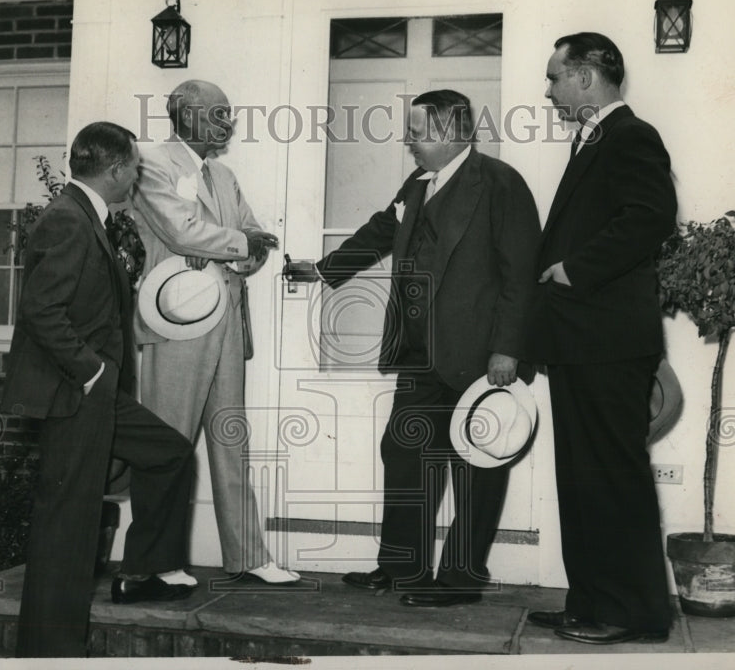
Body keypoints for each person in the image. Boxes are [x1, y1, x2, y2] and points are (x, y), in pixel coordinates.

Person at [285, 89, 540, 607]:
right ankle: (401, 567)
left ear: (451, 132)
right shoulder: (419, 182)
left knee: (476, 467)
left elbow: (522, 275)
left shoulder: (500, 182)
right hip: (418, 353)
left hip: (479, 356)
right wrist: (326, 268)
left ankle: (461, 580)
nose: (410, 141)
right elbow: (384, 227)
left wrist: (507, 348)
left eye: (418, 132)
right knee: (404, 453)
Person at [2, 122, 196, 658]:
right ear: (114, 170)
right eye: (134, 166)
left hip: (98, 391)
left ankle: (148, 569)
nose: (137, 174)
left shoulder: (88, 215)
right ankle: (48, 652)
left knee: (170, 454)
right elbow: (42, 310)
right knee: (67, 526)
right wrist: (91, 372)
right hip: (77, 392)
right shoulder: (67, 220)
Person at [522, 32, 677, 644]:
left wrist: (573, 269)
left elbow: (649, 217)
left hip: (608, 341)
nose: (550, 90)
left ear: (586, 77)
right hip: (582, 341)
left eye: (555, 77)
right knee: (584, 479)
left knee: (613, 477)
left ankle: (633, 613)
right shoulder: (595, 141)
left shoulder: (631, 136)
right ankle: (590, 603)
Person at [131, 79, 299, 585]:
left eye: (230, 113)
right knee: (167, 445)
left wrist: (233, 246)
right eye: (219, 113)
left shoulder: (223, 175)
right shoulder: (153, 164)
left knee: (232, 442)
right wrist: (235, 241)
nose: (229, 122)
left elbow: (257, 242)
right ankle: (158, 564)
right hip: (177, 322)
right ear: (186, 115)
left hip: (228, 323)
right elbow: (181, 231)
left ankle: (248, 557)